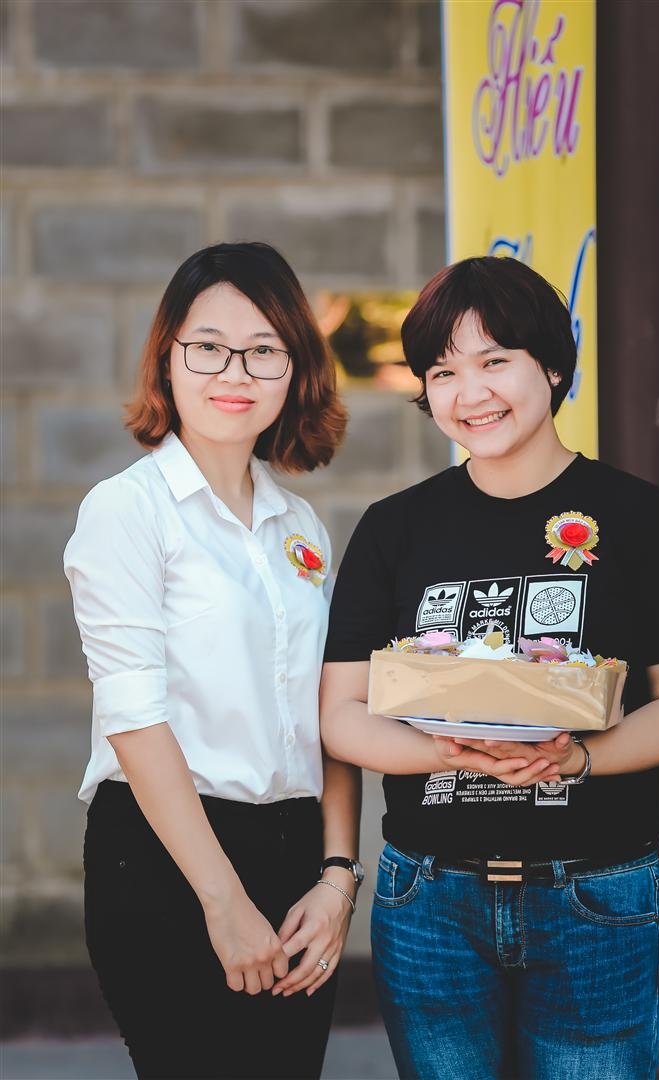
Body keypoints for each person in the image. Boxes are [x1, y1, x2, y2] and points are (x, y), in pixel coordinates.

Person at [320, 256, 659, 1080]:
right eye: (443, 372)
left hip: (597, 891)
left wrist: (576, 759)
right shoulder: (394, 528)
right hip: (427, 899)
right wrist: (448, 752)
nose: (470, 393)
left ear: (554, 367)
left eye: (495, 360)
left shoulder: (643, 519)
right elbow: (341, 715)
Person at [64, 241, 363, 1080]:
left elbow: (332, 714)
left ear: (295, 370)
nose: (235, 372)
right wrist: (222, 899)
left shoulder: (300, 525)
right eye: (208, 347)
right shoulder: (127, 511)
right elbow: (133, 718)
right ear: (168, 357)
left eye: (265, 349)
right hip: (167, 855)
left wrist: (338, 877)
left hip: (297, 853)